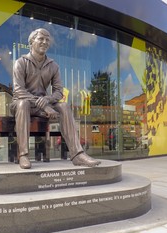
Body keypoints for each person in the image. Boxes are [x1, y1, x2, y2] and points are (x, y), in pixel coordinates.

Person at [10, 28, 101, 169]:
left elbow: (59, 91)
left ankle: (77, 155)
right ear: (31, 42)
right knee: (23, 104)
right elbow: (18, 90)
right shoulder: (21, 62)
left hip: (42, 103)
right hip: (22, 103)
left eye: (47, 40)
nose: (45, 42)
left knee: (64, 106)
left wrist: (47, 100)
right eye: (41, 39)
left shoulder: (53, 66)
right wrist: (44, 105)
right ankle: (23, 155)